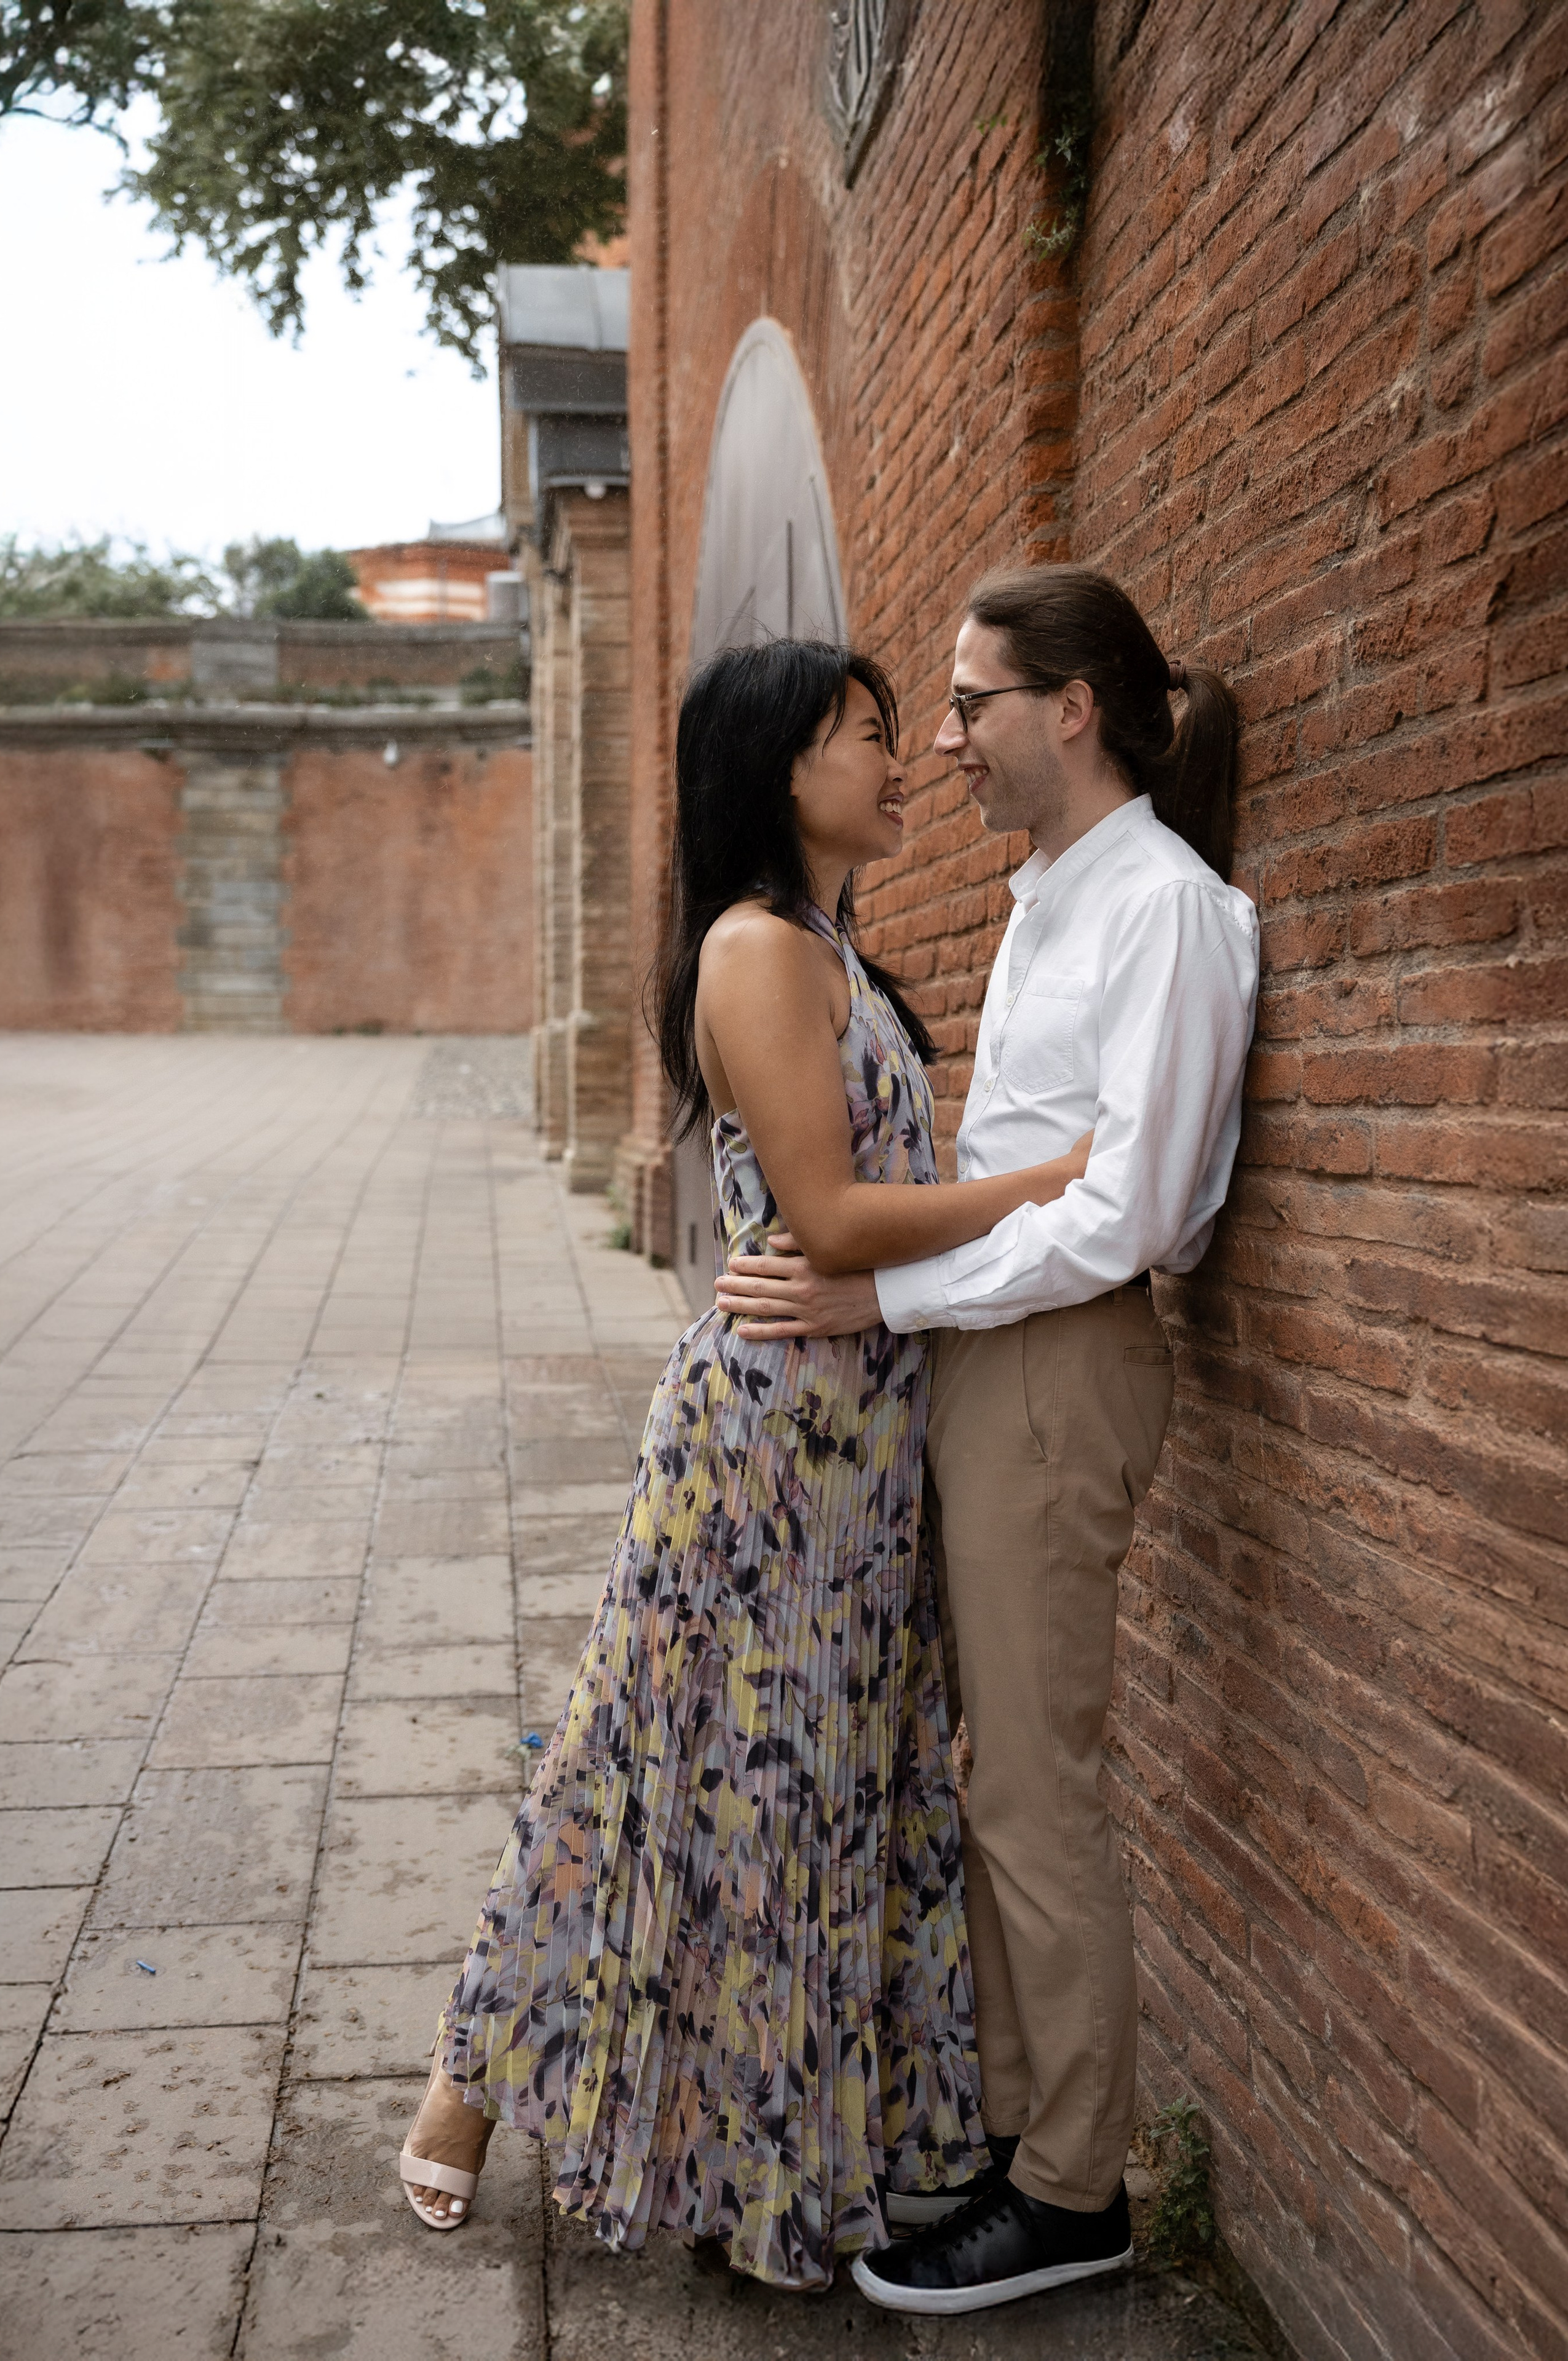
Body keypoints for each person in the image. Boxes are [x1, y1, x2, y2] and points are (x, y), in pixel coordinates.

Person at [395, 639, 1095, 2293]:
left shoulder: (839, 954)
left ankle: (793, 2146)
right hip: (768, 1455)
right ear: (787, 767)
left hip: (857, 1450)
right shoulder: (759, 952)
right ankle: (462, 2089)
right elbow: (835, 1220)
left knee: (805, 1797)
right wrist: (1065, 1176)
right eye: (868, 736)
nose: (901, 757)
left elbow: (868, 1213)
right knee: (648, 1771)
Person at [715, 566, 1260, 2316]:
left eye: (969, 702)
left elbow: (1138, 1210)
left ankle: (1074, 2192)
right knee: (989, 1776)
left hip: (1052, 1361)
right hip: (988, 1356)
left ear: (1074, 710)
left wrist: (892, 1303)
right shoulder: (1059, 895)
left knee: (1036, 1786)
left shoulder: (1160, 909)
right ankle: (1019, 2135)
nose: (939, 737)